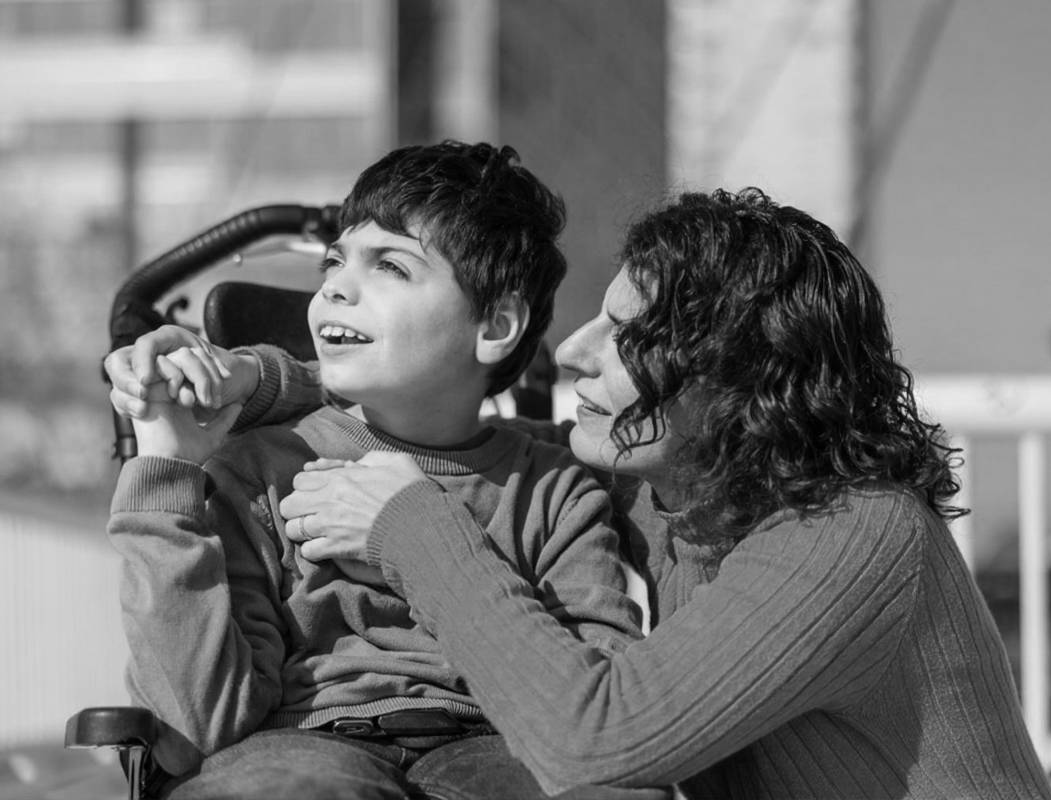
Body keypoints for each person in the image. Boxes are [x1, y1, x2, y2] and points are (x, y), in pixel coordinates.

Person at [109, 188, 1051, 799]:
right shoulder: (688, 489)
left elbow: (599, 744)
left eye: (624, 338)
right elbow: (440, 417)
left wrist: (406, 523)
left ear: (729, 384)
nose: (570, 353)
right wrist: (259, 383)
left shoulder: (853, 536)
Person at [105, 141, 657, 800]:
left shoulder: (554, 490)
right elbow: (203, 719)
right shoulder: (261, 468)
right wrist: (165, 464)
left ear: (496, 325)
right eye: (334, 262)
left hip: (496, 742)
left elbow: (601, 691)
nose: (335, 284)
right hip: (302, 741)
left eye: (391, 267)